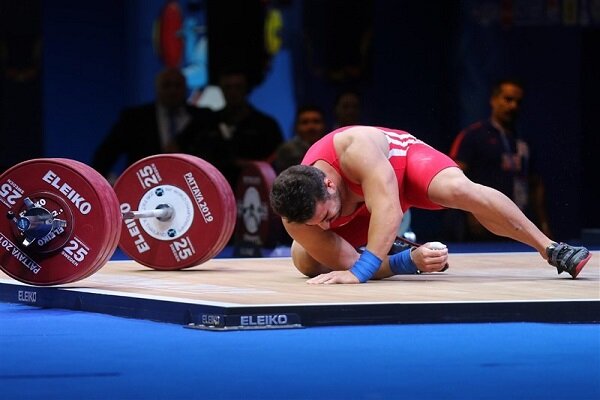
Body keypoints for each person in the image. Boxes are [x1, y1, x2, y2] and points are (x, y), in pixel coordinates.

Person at [269, 125, 591, 284]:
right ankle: (398, 249)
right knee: (305, 259)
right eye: (317, 224)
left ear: (328, 183)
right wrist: (410, 262)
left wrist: (361, 270)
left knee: (462, 191)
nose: (325, 226)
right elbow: (350, 264)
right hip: (372, 212)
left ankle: (551, 249)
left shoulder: (354, 149)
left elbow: (388, 209)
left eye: (326, 215)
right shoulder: (296, 218)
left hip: (405, 169)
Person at [449, 79, 551, 240]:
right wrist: (471, 212)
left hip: (518, 225)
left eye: (518, 102)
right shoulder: (473, 136)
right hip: (483, 224)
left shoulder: (524, 140)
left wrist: (543, 224)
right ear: (493, 100)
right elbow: (453, 179)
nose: (513, 106)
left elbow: (535, 183)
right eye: (508, 99)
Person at [92, 68, 216, 182]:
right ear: (157, 88)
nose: (172, 91)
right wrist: (108, 184)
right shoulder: (134, 118)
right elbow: (105, 155)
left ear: (185, 88)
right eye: (167, 85)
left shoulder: (203, 117)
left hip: (194, 185)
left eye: (177, 85)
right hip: (143, 185)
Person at [212, 69, 284, 187]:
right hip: (215, 188)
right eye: (228, 87)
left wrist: (249, 165)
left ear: (247, 89)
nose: (233, 92)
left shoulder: (266, 125)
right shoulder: (208, 123)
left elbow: (277, 162)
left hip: (257, 190)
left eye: (238, 87)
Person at [272, 105, 327, 174]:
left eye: (316, 121)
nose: (311, 127)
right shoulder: (287, 150)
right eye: (305, 122)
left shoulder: (331, 147)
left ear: (324, 125)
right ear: (296, 127)